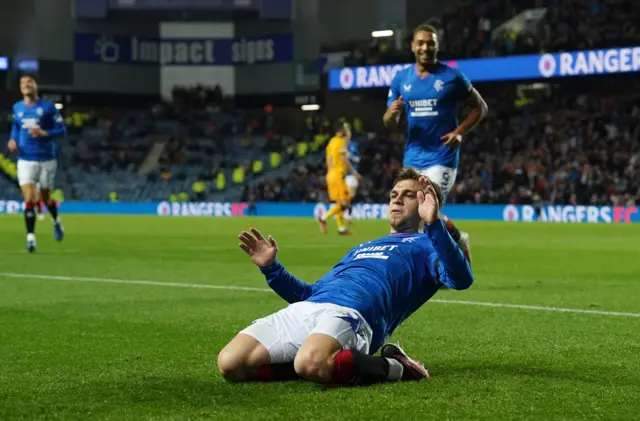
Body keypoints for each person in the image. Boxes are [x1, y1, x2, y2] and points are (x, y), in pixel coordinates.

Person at [218, 168, 474, 386]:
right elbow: (308, 295)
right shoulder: (361, 248)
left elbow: (461, 279)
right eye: (394, 195)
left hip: (355, 316)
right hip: (309, 309)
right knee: (230, 365)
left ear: (426, 204)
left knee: (310, 363)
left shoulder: (429, 245)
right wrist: (271, 268)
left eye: (409, 196)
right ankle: (327, 362)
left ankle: (399, 367)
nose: (397, 200)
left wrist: (435, 225)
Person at [383, 23, 488, 263]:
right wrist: (392, 113)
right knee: (410, 213)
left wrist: (460, 132)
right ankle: (458, 239)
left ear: (437, 46)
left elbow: (480, 107)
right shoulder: (401, 79)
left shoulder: (452, 77)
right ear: (412, 46)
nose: (425, 47)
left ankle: (433, 268)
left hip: (442, 157)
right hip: (412, 157)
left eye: (430, 43)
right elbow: (389, 122)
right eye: (420, 42)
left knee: (423, 211)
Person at [7, 74, 66, 252]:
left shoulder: (48, 107)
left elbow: (62, 130)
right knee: (29, 197)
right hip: (25, 159)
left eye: (29, 82)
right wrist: (12, 140)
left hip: (46, 159)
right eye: (23, 83)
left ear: (36, 86)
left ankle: (56, 221)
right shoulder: (17, 107)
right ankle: (31, 238)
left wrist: (44, 133)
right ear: (20, 88)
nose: (26, 85)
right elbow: (16, 127)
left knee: (45, 198)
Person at [317, 122, 361, 236]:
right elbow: (344, 160)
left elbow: (328, 160)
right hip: (338, 175)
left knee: (340, 202)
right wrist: (354, 173)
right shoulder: (340, 142)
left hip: (330, 174)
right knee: (345, 203)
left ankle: (341, 228)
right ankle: (323, 218)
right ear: (342, 133)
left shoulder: (331, 142)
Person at [344, 136, 361, 224]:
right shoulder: (340, 145)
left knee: (351, 196)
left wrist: (351, 157)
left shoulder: (353, 145)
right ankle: (346, 216)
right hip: (343, 174)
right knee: (346, 195)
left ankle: (347, 215)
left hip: (352, 174)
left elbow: (358, 159)